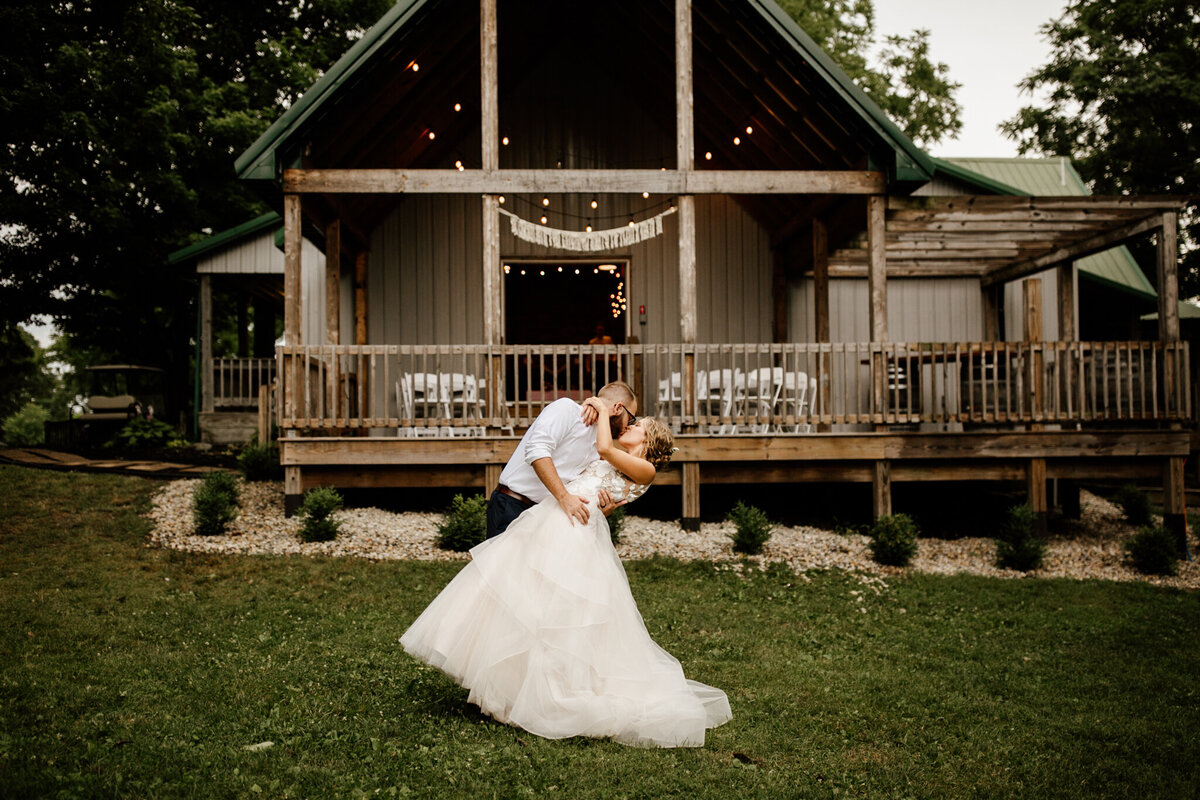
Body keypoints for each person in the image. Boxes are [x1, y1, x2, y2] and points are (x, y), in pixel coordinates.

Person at [401, 398, 731, 747]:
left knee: (557, 615)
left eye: (636, 425)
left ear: (648, 442)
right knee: (523, 604)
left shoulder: (644, 468)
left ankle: (552, 691)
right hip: (556, 519)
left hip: (572, 530)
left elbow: (604, 448)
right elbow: (593, 475)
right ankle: (507, 687)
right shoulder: (620, 459)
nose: (629, 426)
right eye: (630, 420)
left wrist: (603, 410)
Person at [485, 380, 637, 540]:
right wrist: (563, 497)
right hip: (512, 506)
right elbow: (537, 450)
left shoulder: (599, 443)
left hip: (547, 516)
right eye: (631, 418)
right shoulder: (568, 410)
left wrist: (600, 510)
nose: (629, 426)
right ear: (618, 408)